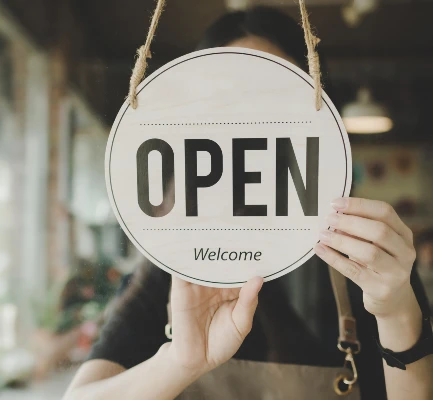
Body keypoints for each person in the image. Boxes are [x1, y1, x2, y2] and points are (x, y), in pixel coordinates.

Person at [63, 6, 433, 400]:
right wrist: (179, 362)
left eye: (275, 95)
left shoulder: (368, 255)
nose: (254, 119)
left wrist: (395, 310)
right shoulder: (174, 266)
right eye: (230, 100)